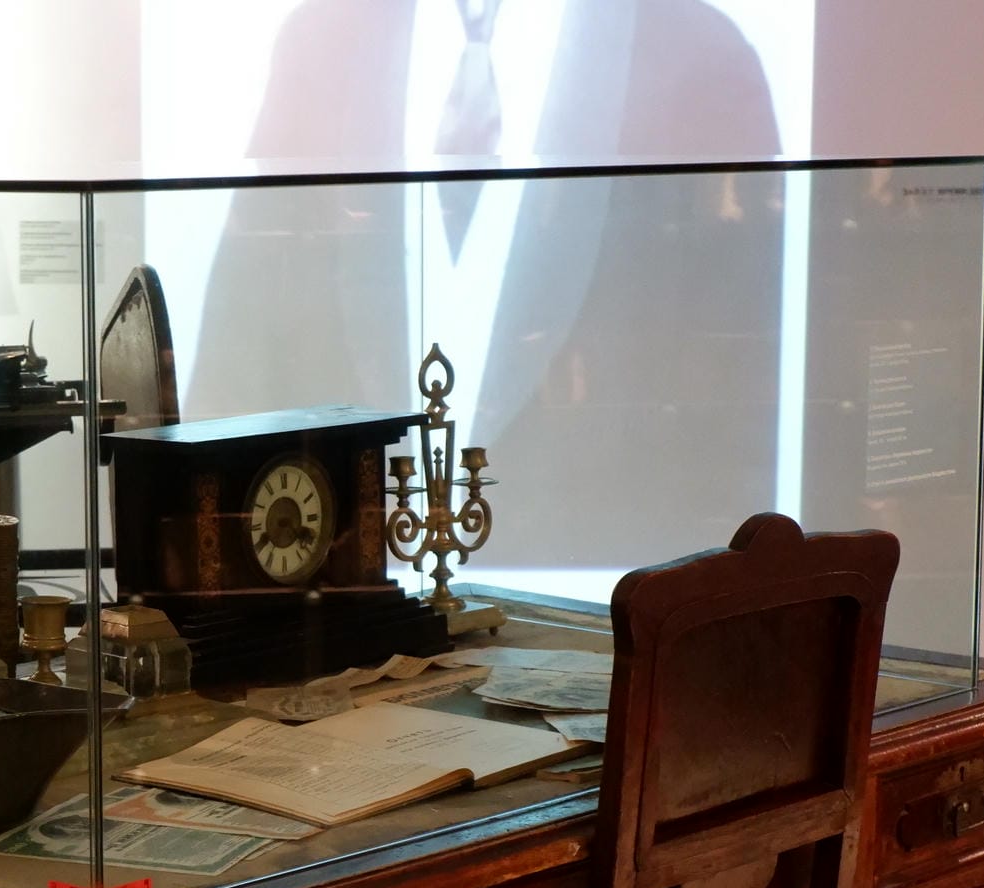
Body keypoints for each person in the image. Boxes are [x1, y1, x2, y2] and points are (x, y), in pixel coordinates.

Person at [184, 0, 787, 567]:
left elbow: (737, 411)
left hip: (595, 622)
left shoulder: (700, 59)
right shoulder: (325, 41)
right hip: (345, 636)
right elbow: (233, 380)